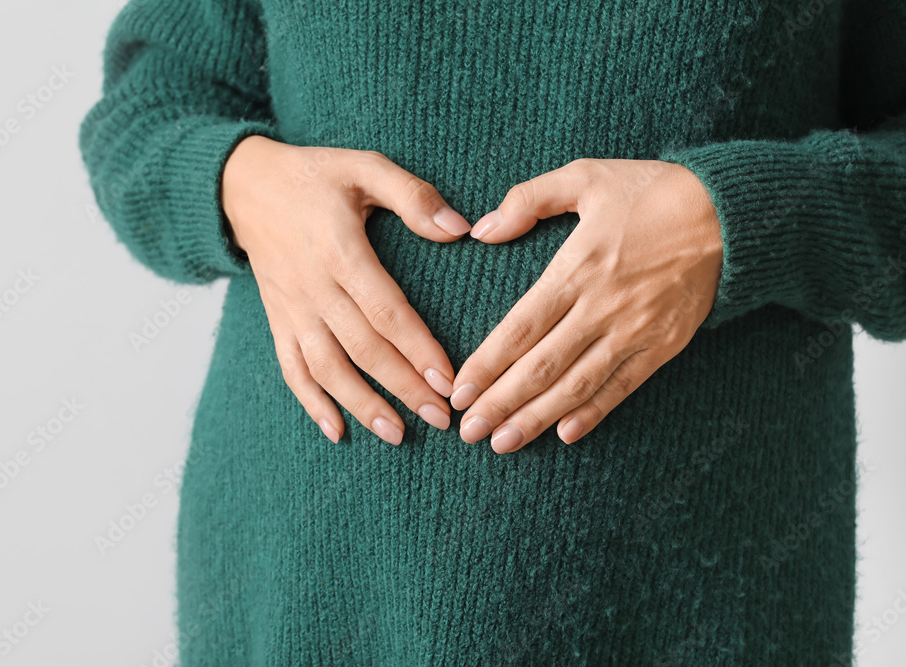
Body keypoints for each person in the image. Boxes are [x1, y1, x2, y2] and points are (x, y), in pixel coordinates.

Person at [79, 0, 906, 663]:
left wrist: (740, 219)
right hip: (311, 581)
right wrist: (241, 180)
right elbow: (147, 113)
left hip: (691, 590)